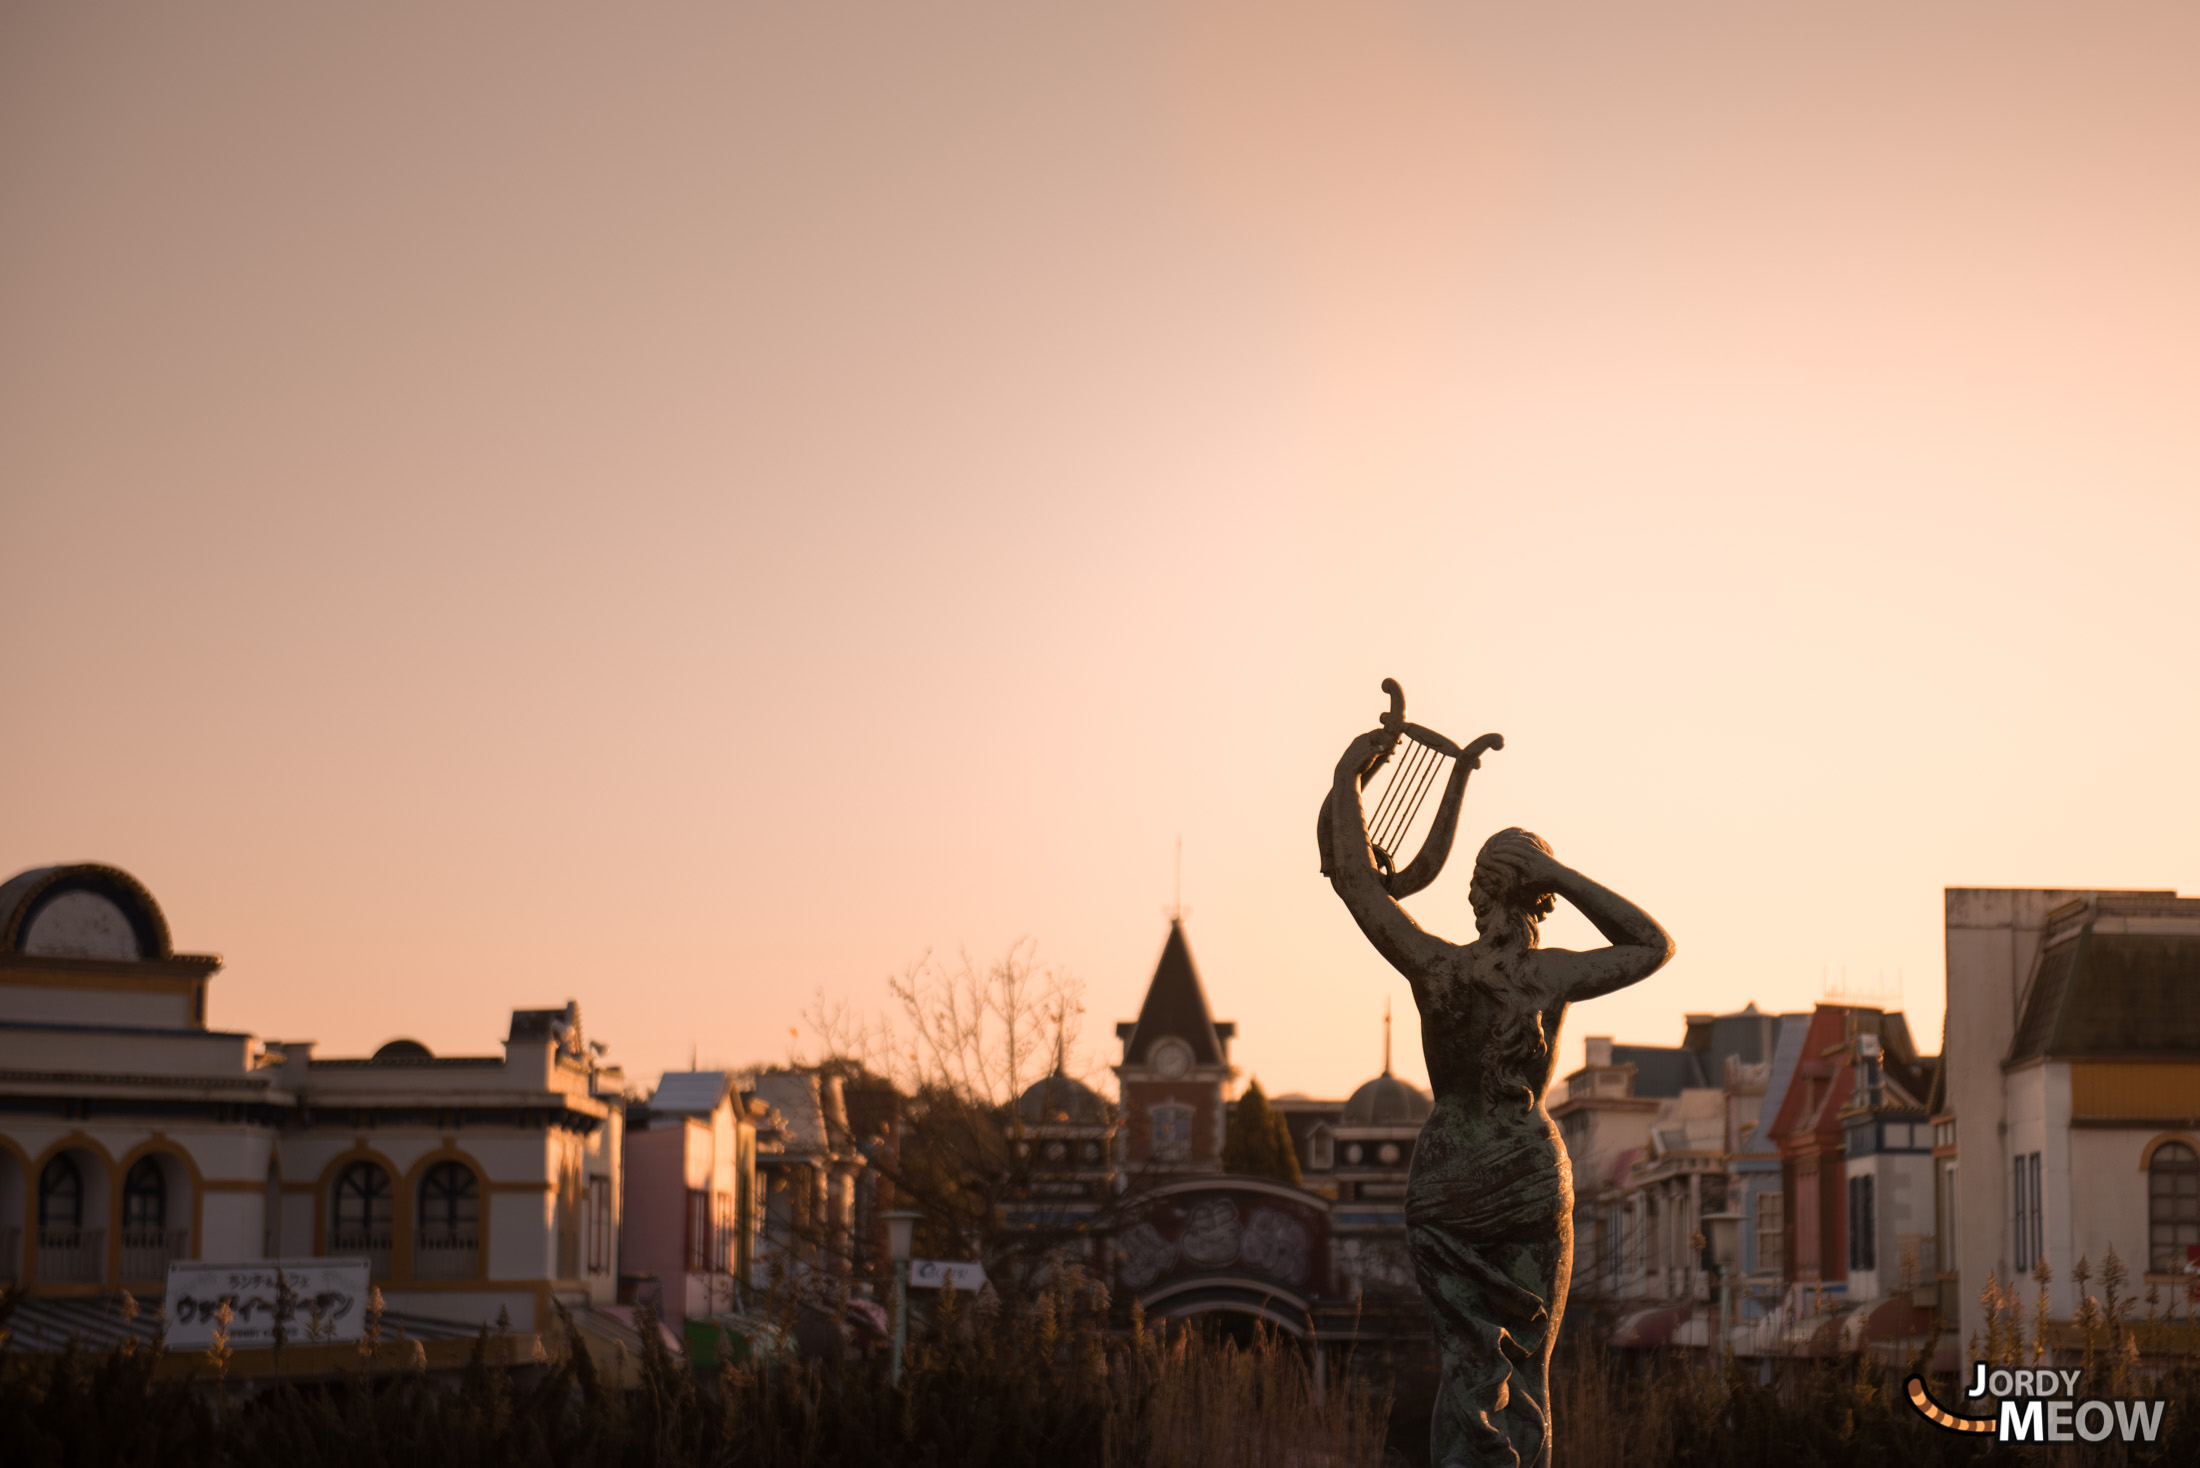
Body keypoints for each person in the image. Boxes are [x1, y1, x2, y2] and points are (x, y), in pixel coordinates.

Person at [1320, 726, 1673, 1468]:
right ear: (1542, 897)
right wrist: (1561, 873)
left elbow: (1353, 879)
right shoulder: (1553, 976)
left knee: (1465, 1368)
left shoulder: (1434, 967)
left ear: (1477, 894)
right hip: (1527, 1176)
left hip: (1445, 1180)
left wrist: (1352, 774)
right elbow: (1651, 944)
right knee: (1526, 1372)